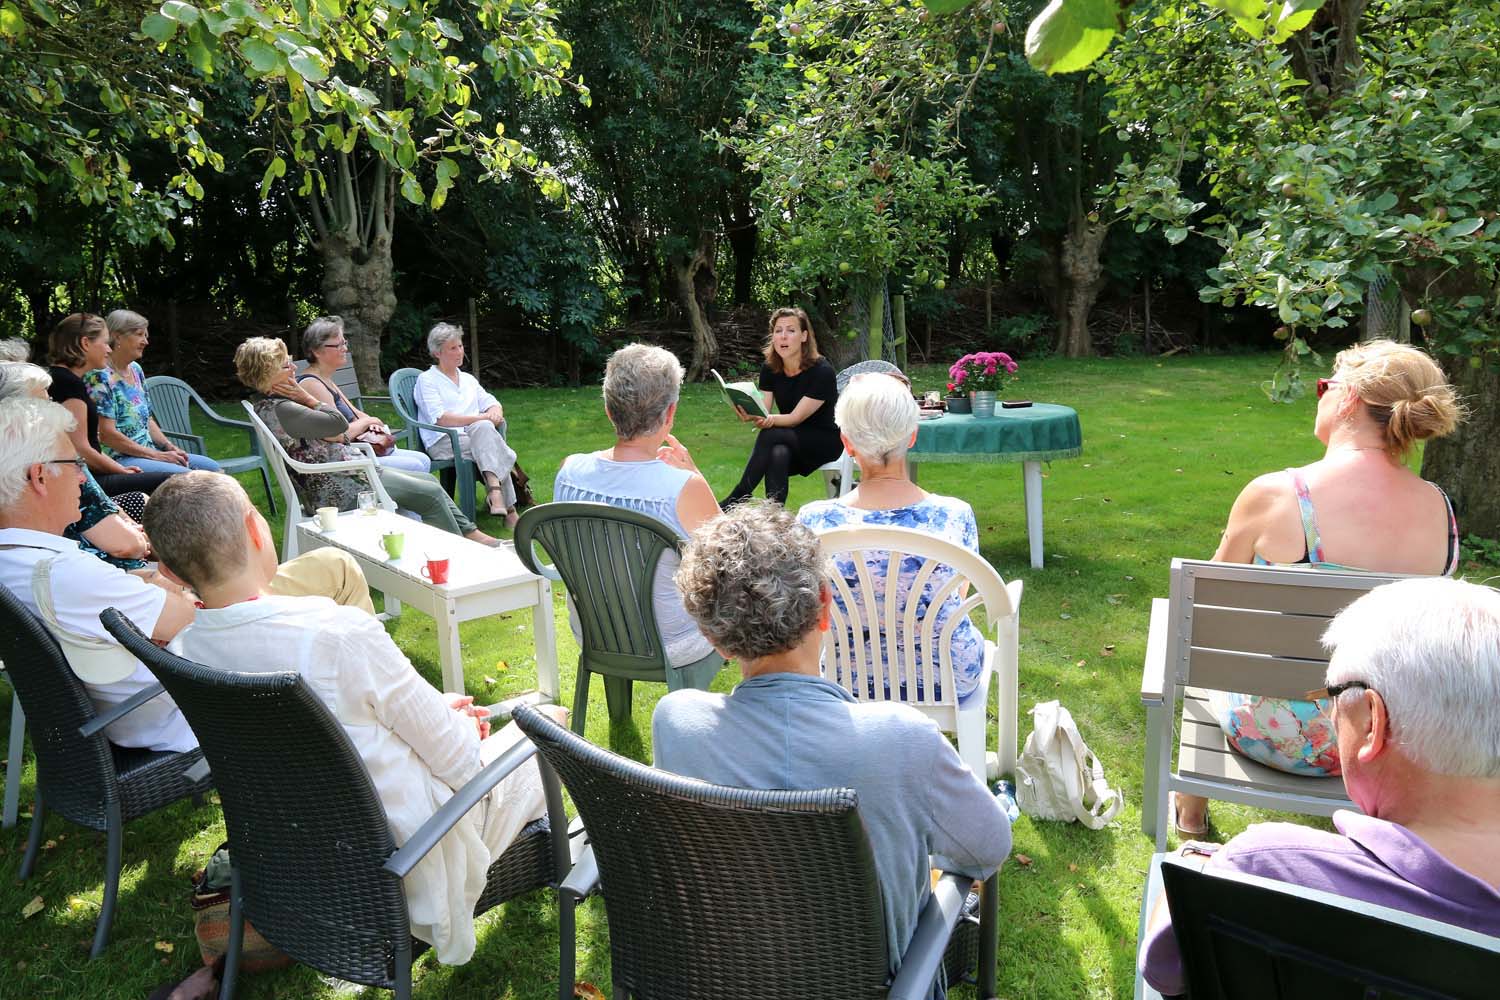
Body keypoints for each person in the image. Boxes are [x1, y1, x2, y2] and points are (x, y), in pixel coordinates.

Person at [150, 471, 568, 965]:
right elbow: (462, 766)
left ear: (173, 573)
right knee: (548, 722)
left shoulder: (187, 651)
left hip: (303, 851)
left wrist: (437, 710)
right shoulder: (336, 633)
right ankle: (561, 865)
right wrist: (457, 723)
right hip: (406, 858)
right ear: (255, 529)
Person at [654, 502, 1011, 991]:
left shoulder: (676, 722)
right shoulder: (903, 740)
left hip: (728, 976)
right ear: (825, 607)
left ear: (714, 638)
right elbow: (988, 847)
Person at [1139, 576, 1500, 997]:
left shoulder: (1263, 870)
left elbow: (1164, 970)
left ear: (1371, 722)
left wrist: (1191, 859)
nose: (1329, 715)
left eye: (1331, 696)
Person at [1174, 339, 1464, 837]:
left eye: (1323, 387)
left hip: (1272, 733)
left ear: (1347, 397)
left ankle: (1190, 814)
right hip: (1383, 741)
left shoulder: (1276, 495)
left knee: (1200, 653)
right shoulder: (1439, 510)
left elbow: (1205, 612)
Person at [0, 399, 375, 753]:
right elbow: (192, 615)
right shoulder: (66, 574)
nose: (83, 478)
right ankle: (370, 702)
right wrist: (164, 581)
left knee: (325, 566)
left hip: (154, 695)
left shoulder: (17, 562)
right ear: (39, 478)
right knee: (333, 567)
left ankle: (366, 695)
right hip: (197, 703)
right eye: (75, 463)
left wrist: (154, 583)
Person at [797, 371, 984, 705]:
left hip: (846, 679)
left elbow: (809, 607)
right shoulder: (954, 516)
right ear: (912, 436)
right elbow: (957, 594)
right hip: (945, 679)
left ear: (847, 442)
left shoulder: (814, 521)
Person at [234, 336, 502, 546]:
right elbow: (338, 424)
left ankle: (470, 535)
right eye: (286, 365)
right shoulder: (287, 408)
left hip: (347, 472)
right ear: (269, 373)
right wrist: (309, 399)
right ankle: (457, 552)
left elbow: (334, 432)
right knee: (430, 494)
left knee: (428, 482)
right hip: (340, 485)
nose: (294, 368)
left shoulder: (275, 405)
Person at [553, 344, 718, 667]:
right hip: (671, 642)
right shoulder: (683, 487)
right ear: (670, 413)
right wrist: (695, 474)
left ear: (609, 410)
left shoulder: (569, 471)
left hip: (592, 632)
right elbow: (733, 560)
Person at [0, 361, 150, 571]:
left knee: (142, 501)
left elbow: (99, 502)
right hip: (103, 566)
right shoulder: (53, 461)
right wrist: (138, 539)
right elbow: (125, 546)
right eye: (44, 400)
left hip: (74, 555)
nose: (54, 405)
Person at [721, 307, 842, 508]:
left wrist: (769, 422)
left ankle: (739, 495)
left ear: (804, 336)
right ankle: (774, 516)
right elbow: (764, 410)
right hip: (790, 438)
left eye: (791, 330)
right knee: (778, 452)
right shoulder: (770, 368)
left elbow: (795, 418)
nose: (783, 336)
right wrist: (749, 413)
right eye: (778, 331)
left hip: (824, 440)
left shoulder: (822, 372)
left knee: (771, 435)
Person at [45, 313, 174, 499]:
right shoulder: (68, 385)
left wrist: (120, 469)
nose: (108, 349)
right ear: (85, 343)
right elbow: (80, 450)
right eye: (105, 343)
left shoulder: (63, 379)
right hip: (82, 482)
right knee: (173, 482)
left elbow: (89, 446)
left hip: (85, 475)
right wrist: (122, 472)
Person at [85, 309, 222, 477]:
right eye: (140, 334)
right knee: (188, 478)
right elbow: (106, 435)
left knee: (213, 468)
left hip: (149, 452)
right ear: (117, 336)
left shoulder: (135, 370)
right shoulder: (99, 377)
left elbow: (148, 419)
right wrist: (157, 456)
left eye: (146, 335)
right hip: (121, 459)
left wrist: (167, 446)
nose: (146, 341)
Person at [295, 315, 433, 474]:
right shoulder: (312, 384)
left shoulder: (325, 379)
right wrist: (369, 421)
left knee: (423, 460)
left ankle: (404, 498)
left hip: (358, 448)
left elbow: (355, 414)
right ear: (317, 351)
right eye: (339, 345)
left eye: (344, 343)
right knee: (416, 466)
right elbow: (338, 433)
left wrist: (371, 422)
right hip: (343, 459)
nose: (345, 349)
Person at [414, 323, 520, 528]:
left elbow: (490, 401)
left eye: (460, 346)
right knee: (490, 440)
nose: (459, 352)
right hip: (444, 440)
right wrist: (480, 419)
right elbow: (440, 418)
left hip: (474, 437)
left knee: (484, 432)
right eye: (453, 348)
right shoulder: (426, 380)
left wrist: (495, 412)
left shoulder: (468, 379)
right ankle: (509, 510)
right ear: (437, 353)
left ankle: (495, 492)